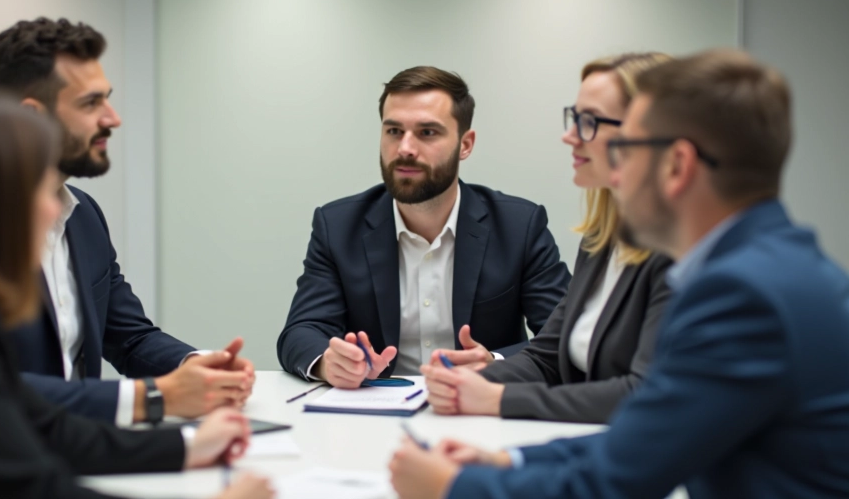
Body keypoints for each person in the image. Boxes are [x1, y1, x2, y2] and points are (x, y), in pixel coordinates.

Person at [388, 49, 849, 499]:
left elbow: (617, 480)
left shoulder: (740, 294)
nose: (617, 172)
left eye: (628, 150)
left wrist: (453, 487)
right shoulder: (769, 265)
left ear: (677, 165)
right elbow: (646, 435)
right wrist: (511, 461)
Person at [0, 94, 272, 499]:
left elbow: (46, 427)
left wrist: (187, 447)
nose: (56, 208)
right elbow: (29, 486)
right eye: (42, 188)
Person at [0, 18, 254, 425]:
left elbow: (128, 337)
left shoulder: (83, 215)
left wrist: (196, 367)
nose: (113, 118)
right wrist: (155, 398)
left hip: (80, 448)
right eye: (90, 103)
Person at [277, 66, 571, 387]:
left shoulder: (519, 227)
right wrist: (328, 362)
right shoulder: (338, 227)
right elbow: (302, 331)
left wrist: (495, 363)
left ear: (465, 144)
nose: (405, 148)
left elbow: (564, 337)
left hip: (480, 405)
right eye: (394, 131)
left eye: (427, 132)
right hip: (373, 407)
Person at [423, 53, 673, 423]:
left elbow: (646, 393)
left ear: (648, 134)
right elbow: (547, 357)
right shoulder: (602, 240)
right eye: (575, 118)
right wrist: (466, 380)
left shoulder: (680, 250)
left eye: (589, 122)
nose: (569, 136)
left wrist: (497, 398)